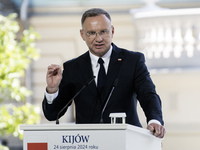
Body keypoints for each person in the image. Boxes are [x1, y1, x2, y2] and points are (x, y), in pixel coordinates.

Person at [42, 8, 165, 138]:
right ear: (82, 35)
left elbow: (148, 95)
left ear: (112, 31)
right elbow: (52, 115)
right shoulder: (73, 68)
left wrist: (154, 120)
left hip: (127, 140)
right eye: (91, 33)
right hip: (87, 143)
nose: (98, 38)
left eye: (103, 32)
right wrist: (52, 89)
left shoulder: (132, 61)